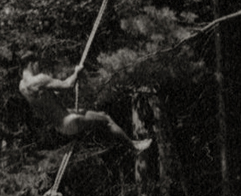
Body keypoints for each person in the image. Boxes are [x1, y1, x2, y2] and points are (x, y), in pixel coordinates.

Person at [19, 53, 152, 153]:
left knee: (99, 115)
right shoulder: (40, 79)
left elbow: (49, 98)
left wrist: (74, 77)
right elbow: (67, 85)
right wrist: (76, 73)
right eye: (38, 65)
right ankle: (134, 146)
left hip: (60, 126)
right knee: (106, 119)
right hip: (69, 121)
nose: (39, 68)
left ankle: (128, 143)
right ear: (32, 64)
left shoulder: (22, 86)